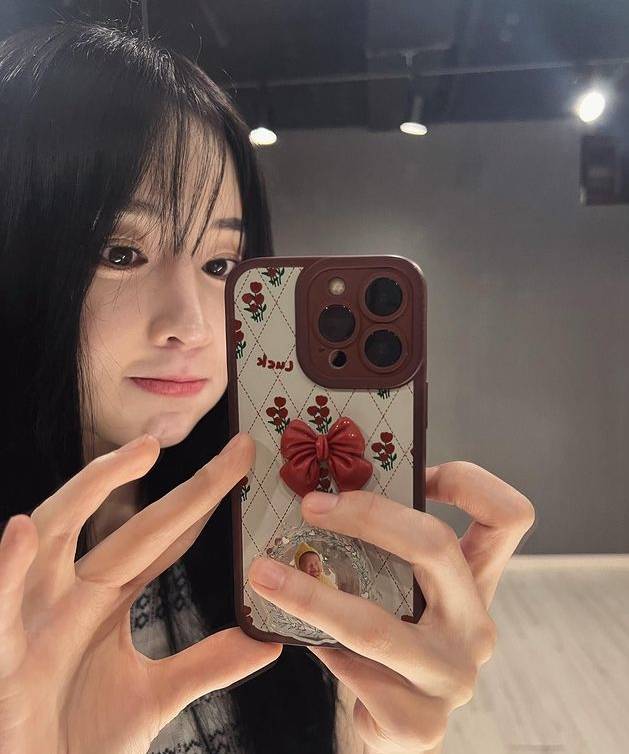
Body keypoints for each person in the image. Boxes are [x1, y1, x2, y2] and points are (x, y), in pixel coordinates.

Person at [0, 18, 536, 754]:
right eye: (120, 252)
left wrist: (372, 734)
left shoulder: (269, 545)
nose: (193, 325)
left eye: (221, 264)